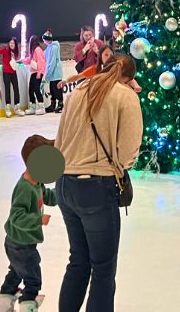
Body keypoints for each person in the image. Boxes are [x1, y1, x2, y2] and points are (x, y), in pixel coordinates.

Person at [54, 55, 142, 312]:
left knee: (78, 262)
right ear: (128, 78)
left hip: (64, 184)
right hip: (95, 186)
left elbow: (59, 141)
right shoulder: (125, 97)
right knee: (103, 270)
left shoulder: (77, 92)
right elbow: (127, 153)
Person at [0, 134, 60, 312]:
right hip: (20, 244)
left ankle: (3, 305)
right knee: (32, 279)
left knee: (16, 273)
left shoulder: (37, 182)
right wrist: (38, 220)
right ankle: (27, 306)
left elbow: (47, 196)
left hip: (20, 242)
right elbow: (16, 217)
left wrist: (62, 194)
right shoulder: (24, 188)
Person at [0, 37, 22, 116]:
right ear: (9, 44)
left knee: (16, 89)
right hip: (6, 73)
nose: (12, 44)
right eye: (11, 43)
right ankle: (8, 108)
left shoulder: (15, 52)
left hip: (13, 72)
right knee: (7, 89)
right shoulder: (5, 50)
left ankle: (17, 107)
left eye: (13, 43)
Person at [43, 31, 64, 113]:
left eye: (44, 39)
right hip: (52, 74)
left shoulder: (54, 47)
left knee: (57, 89)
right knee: (52, 89)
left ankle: (60, 104)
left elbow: (52, 62)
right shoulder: (48, 48)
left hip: (56, 73)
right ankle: (53, 104)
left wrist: (48, 73)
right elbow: (43, 55)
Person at [27, 35, 48, 114]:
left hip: (38, 72)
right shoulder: (34, 50)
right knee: (31, 90)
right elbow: (30, 60)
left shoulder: (37, 50)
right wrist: (22, 60)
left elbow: (41, 62)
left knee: (36, 89)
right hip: (34, 72)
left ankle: (41, 107)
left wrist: (39, 72)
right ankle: (33, 106)